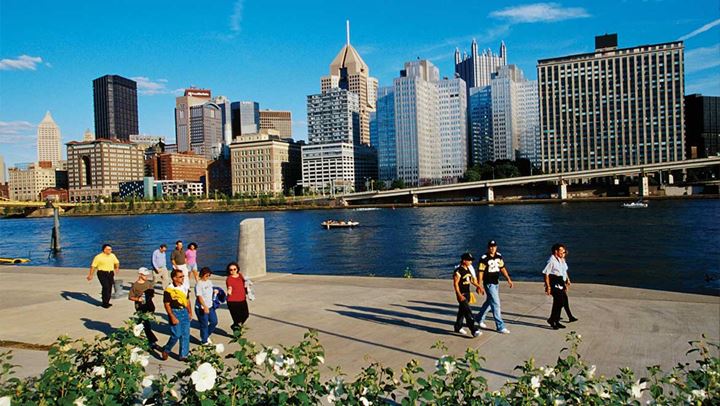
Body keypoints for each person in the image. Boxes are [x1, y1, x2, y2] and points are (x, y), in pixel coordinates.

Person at [476, 240, 513, 334]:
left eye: (494, 246)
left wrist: (508, 278)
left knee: (489, 302)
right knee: (496, 304)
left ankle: (479, 318)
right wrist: (479, 285)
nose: (492, 248)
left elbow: (502, 267)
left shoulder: (498, 256)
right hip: (489, 283)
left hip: (496, 282)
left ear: (496, 247)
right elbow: (480, 272)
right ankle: (500, 326)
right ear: (488, 248)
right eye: (491, 247)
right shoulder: (484, 258)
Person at [543, 243, 578, 330]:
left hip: (560, 282)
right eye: (561, 250)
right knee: (559, 302)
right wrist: (548, 287)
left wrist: (567, 280)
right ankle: (553, 320)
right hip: (554, 283)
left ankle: (555, 320)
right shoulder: (551, 261)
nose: (563, 252)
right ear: (556, 251)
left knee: (561, 302)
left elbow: (564, 272)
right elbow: (546, 274)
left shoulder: (561, 260)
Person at [161, 269, 192, 361]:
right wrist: (172, 316)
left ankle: (183, 355)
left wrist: (190, 312)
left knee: (185, 334)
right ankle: (167, 349)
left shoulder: (185, 287)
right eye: (180, 277)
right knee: (176, 334)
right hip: (175, 312)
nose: (183, 278)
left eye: (183, 276)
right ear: (174, 278)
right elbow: (167, 304)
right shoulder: (169, 290)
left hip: (184, 312)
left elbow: (187, 301)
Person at [128, 267, 161, 351]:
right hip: (140, 307)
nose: (146, 277)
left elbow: (151, 294)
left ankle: (135, 333)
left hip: (149, 306)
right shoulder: (135, 285)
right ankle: (152, 342)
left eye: (147, 275)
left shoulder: (148, 284)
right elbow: (130, 297)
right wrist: (137, 299)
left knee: (143, 323)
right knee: (146, 324)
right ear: (140, 275)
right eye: (144, 275)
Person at [453, 253, 482, 337]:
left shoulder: (468, 269)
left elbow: (471, 280)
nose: (471, 262)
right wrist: (459, 295)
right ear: (464, 260)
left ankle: (457, 327)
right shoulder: (458, 271)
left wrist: (479, 286)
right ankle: (474, 330)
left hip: (468, 293)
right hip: (462, 294)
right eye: (469, 260)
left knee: (461, 312)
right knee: (468, 313)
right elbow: (455, 284)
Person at [86, 244, 120, 308]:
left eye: (111, 249)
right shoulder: (98, 257)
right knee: (106, 287)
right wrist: (90, 275)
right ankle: (104, 303)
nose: (111, 250)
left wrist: (117, 268)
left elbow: (117, 262)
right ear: (104, 250)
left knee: (109, 287)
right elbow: (93, 266)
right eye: (109, 249)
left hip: (110, 273)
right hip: (102, 273)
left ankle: (107, 301)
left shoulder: (112, 255)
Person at [195, 267, 219, 345]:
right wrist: (204, 306)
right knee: (204, 324)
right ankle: (204, 341)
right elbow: (199, 297)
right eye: (206, 275)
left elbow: (210, 291)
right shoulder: (199, 284)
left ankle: (205, 336)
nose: (207, 277)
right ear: (202, 275)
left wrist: (215, 292)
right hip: (201, 308)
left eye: (209, 275)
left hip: (210, 306)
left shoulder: (209, 282)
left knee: (214, 322)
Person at [226, 262, 249, 332]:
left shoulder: (240, 275)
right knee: (237, 318)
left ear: (237, 269)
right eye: (231, 270)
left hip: (242, 299)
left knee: (246, 315)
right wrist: (229, 291)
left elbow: (245, 284)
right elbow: (229, 287)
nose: (233, 271)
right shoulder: (229, 279)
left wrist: (248, 290)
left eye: (234, 269)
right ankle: (237, 335)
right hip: (233, 301)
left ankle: (234, 326)